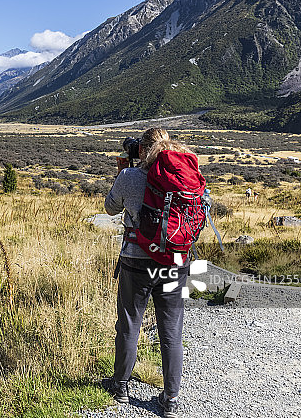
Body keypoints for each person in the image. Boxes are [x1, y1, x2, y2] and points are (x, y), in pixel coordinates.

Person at [102, 127, 195, 418]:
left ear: (141, 150)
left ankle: (121, 387)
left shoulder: (130, 177)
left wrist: (121, 173)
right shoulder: (183, 177)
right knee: (172, 330)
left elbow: (109, 208)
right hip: (175, 263)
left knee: (130, 323)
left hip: (136, 261)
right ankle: (171, 398)